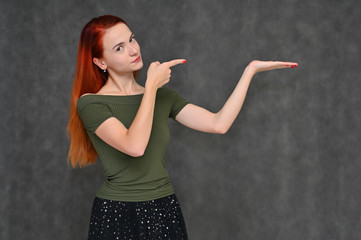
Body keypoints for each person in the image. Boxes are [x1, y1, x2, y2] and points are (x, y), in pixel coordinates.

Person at [67, 15, 298, 240]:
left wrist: (251, 71)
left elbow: (219, 124)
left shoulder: (162, 97)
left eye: (132, 39)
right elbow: (134, 145)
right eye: (119, 47)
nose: (133, 50)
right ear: (100, 62)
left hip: (163, 207)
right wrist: (151, 88)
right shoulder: (91, 103)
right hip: (116, 214)